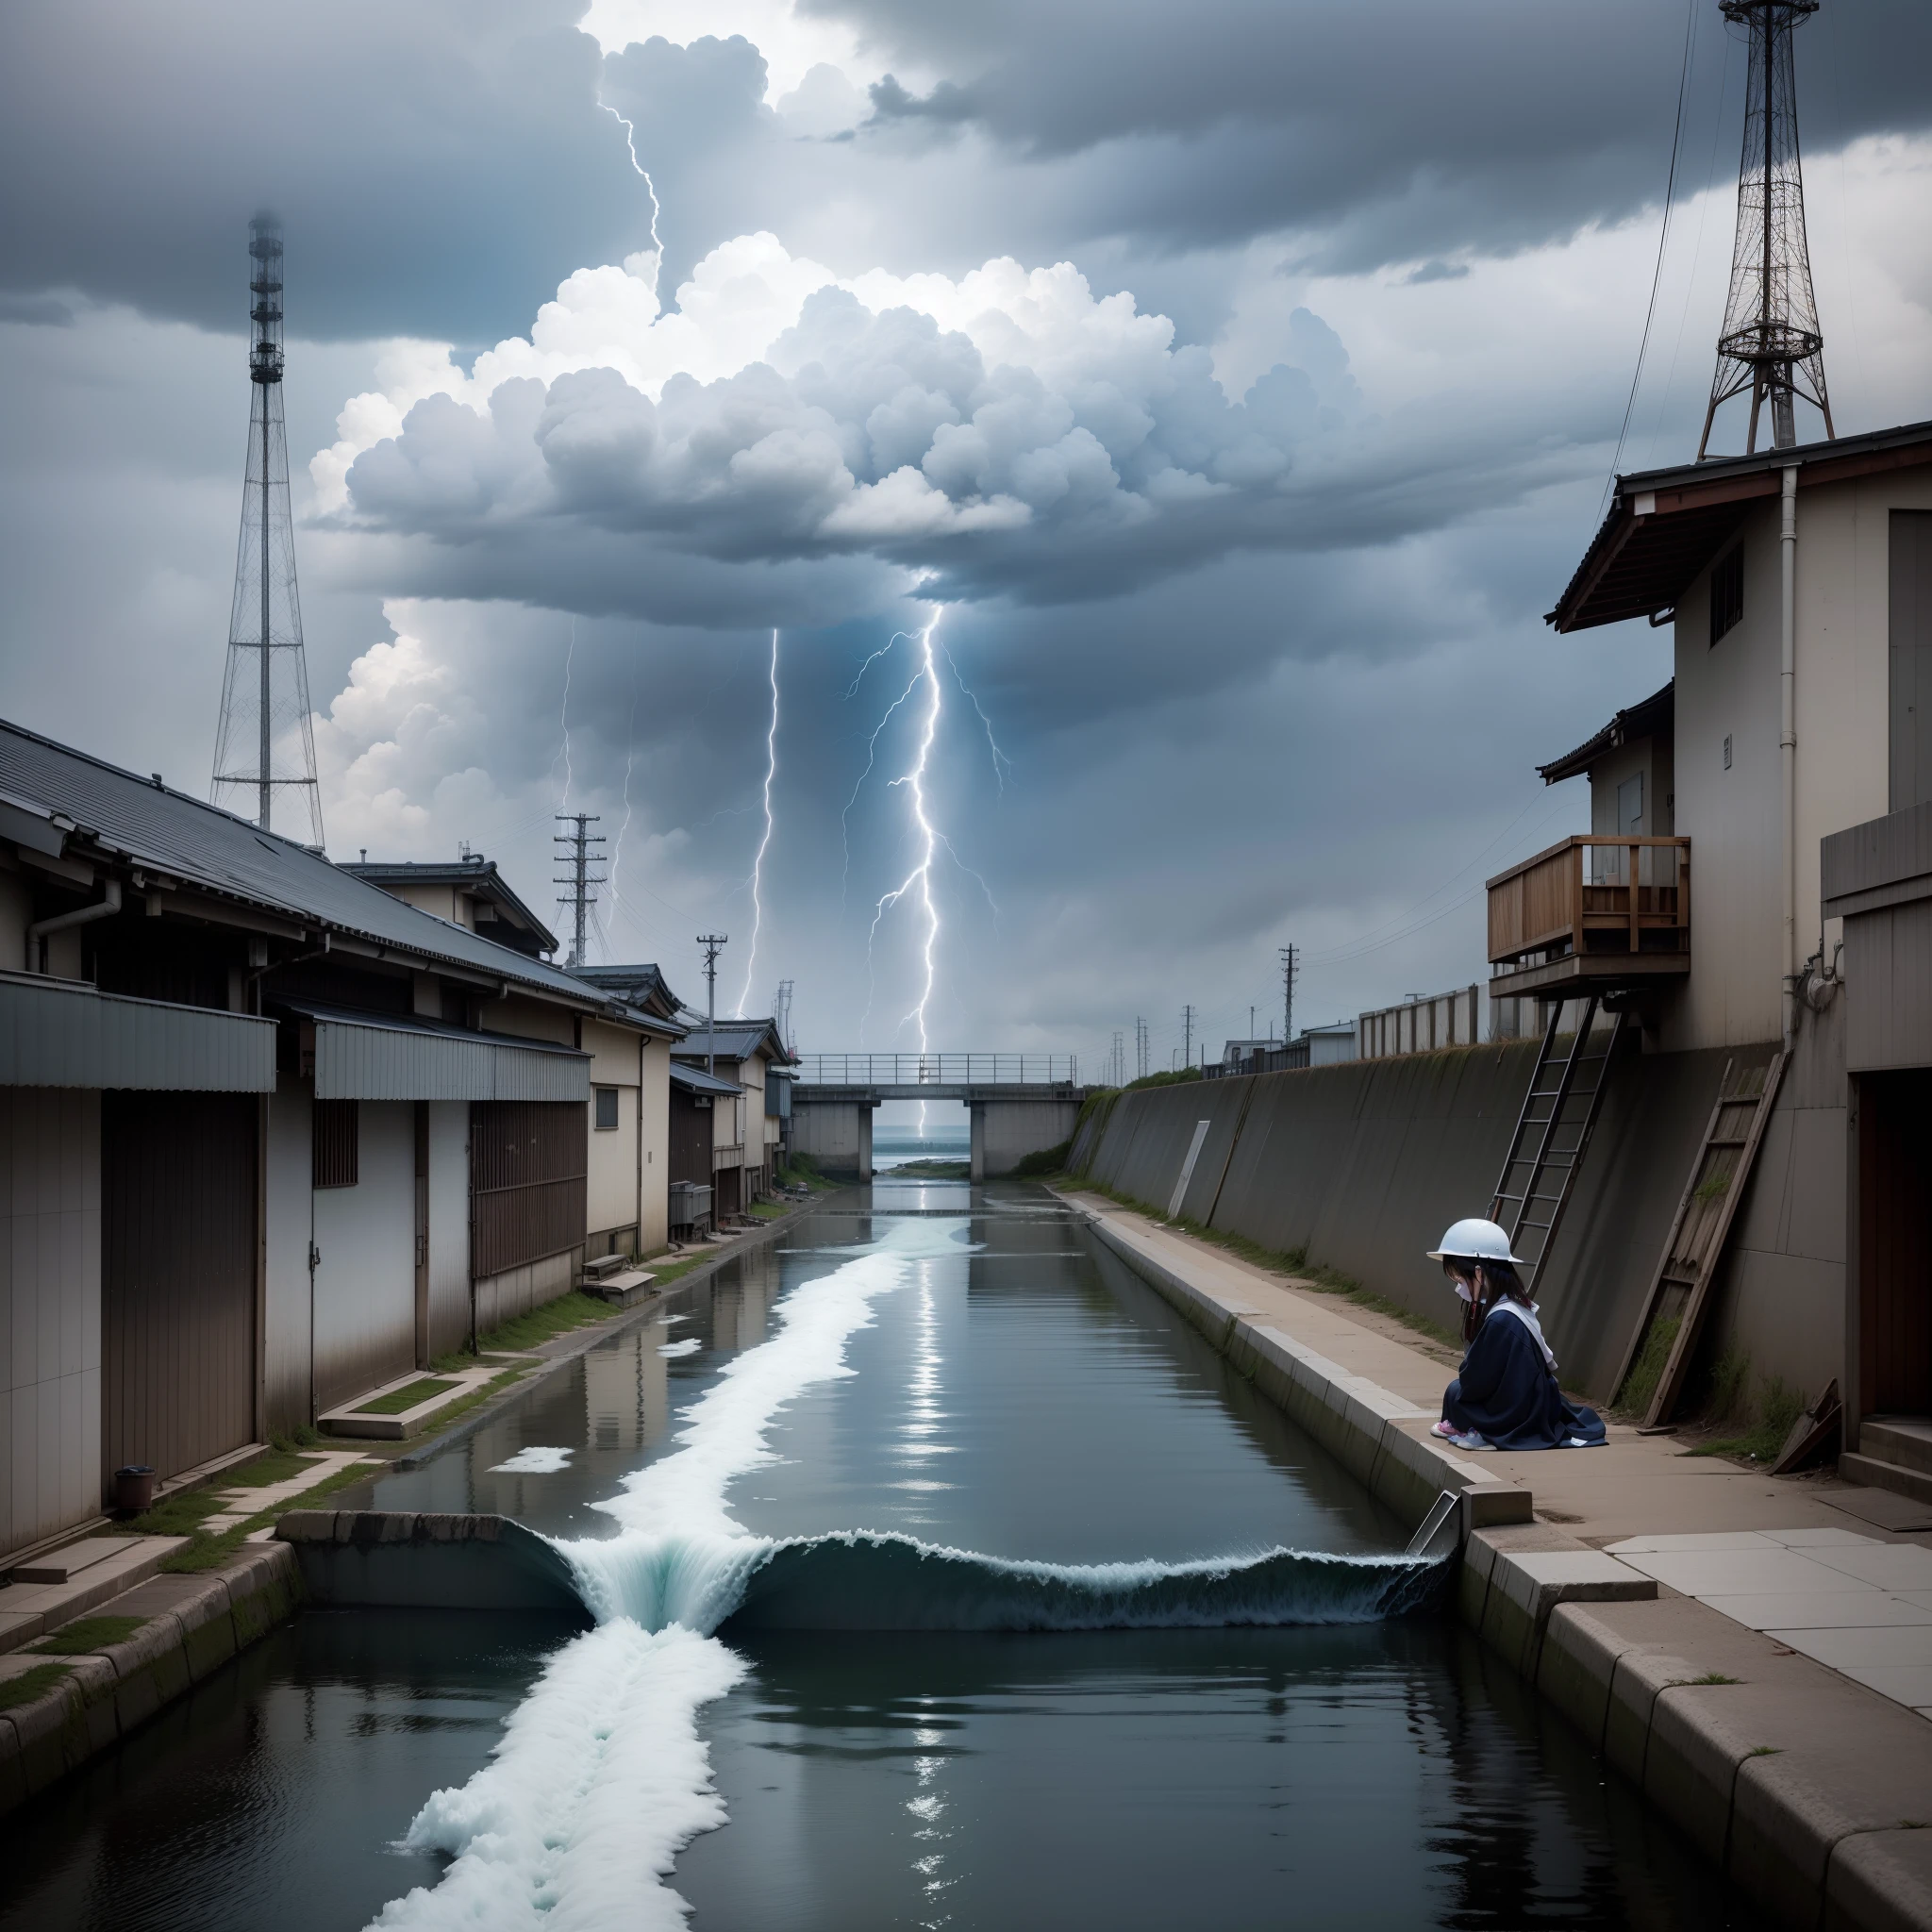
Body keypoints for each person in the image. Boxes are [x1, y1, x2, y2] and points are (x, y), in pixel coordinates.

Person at [1425, 1218, 1607, 1451]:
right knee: (1456, 1390)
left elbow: (1477, 1379)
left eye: (1459, 1276)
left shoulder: (1502, 1319)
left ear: (1479, 1274)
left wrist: (1466, 1387)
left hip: (1517, 1408)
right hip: (1526, 1399)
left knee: (1456, 1391)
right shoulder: (1510, 1307)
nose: (1458, 1284)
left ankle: (1481, 1430)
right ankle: (1471, 1426)